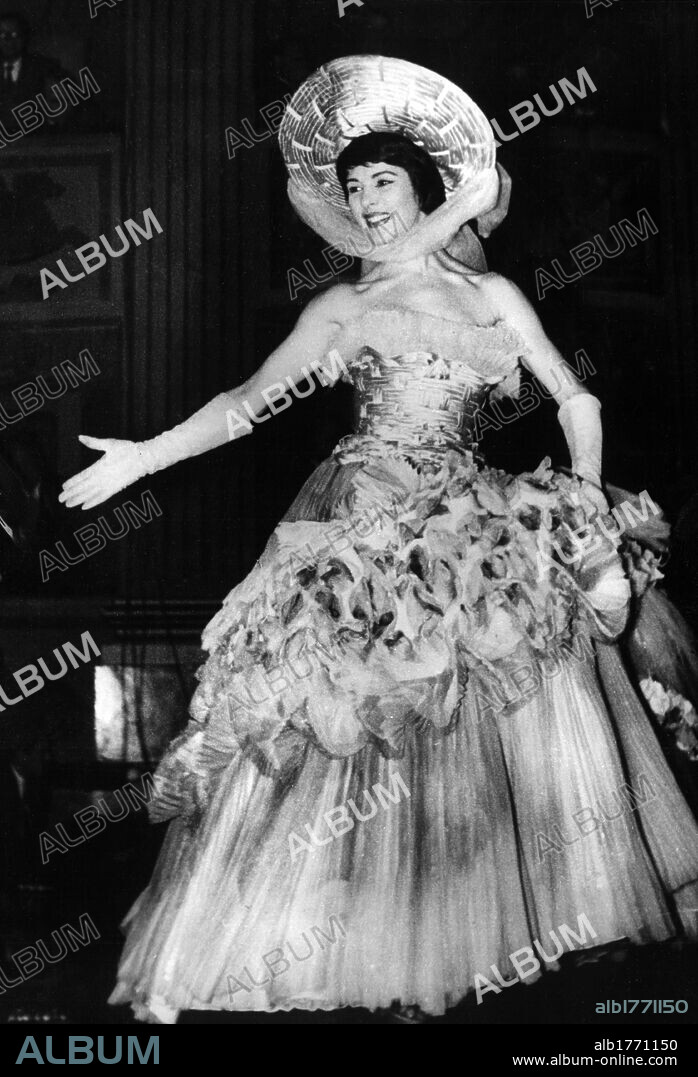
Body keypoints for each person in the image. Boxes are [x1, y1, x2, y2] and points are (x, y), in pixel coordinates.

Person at [60, 56, 698, 1024]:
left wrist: (588, 526)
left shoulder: (491, 299)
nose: (365, 201)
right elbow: (244, 406)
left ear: (425, 192)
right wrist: (141, 458)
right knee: (332, 726)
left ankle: (464, 939)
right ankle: (318, 947)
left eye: (382, 181)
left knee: (480, 724)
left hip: (467, 525)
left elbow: (576, 400)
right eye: (352, 187)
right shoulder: (342, 307)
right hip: (355, 525)